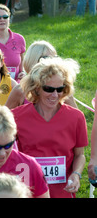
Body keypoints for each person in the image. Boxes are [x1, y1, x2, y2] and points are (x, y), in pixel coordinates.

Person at [12, 57, 87, 198]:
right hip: (27, 192)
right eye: (48, 89)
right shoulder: (16, 116)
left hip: (63, 191)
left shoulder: (76, 117)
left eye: (60, 89)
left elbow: (80, 155)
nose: (54, 95)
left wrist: (76, 174)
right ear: (36, 88)